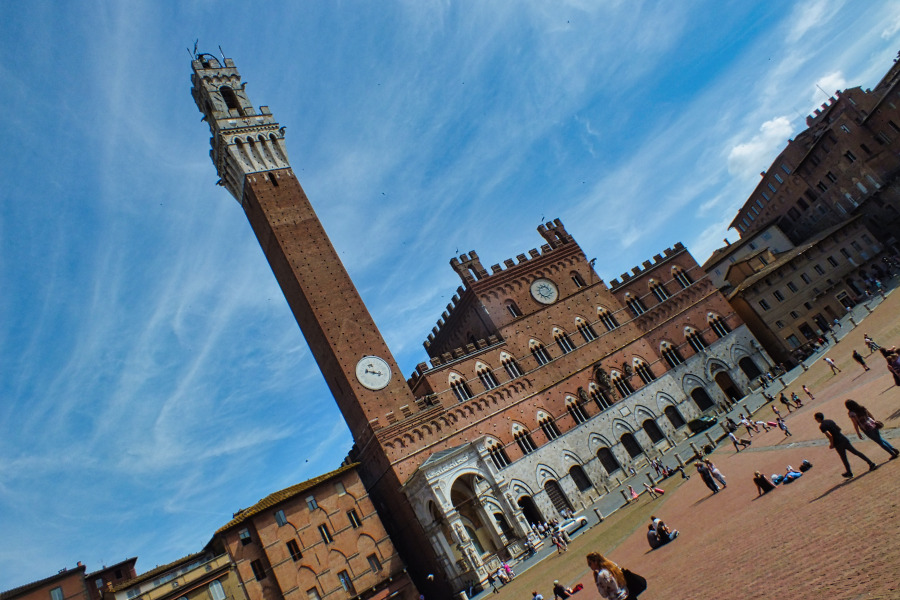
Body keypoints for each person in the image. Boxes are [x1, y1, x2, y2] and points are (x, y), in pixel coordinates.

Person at [814, 412, 878, 478]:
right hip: (843, 438)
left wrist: (832, 444)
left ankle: (849, 473)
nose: (816, 420)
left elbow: (830, 436)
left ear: (818, 418)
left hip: (838, 443)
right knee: (856, 452)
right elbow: (839, 429)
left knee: (844, 458)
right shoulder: (830, 421)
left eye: (816, 418)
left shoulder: (822, 426)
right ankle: (870, 463)